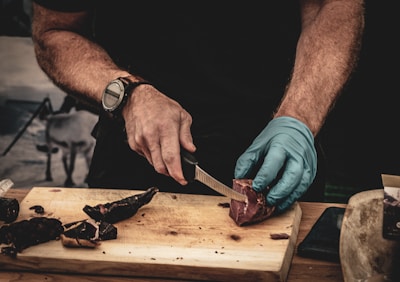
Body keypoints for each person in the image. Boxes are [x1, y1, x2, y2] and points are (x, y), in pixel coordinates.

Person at [31, 0, 365, 213]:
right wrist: (129, 93)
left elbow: (332, 5)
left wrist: (298, 119)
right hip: (137, 153)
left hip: (276, 153)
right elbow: (54, 30)